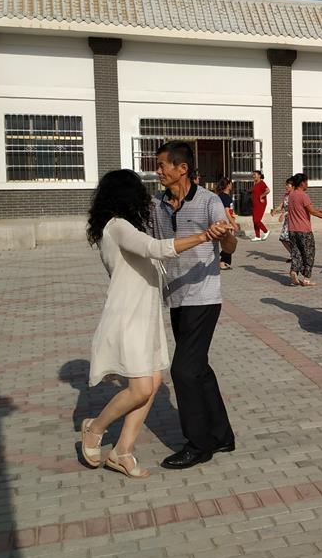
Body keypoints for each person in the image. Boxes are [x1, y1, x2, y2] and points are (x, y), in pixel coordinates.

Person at [81, 169, 219, 478]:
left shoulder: (125, 227)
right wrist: (203, 236)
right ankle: (95, 427)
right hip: (127, 316)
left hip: (145, 316)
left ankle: (122, 451)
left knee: (153, 383)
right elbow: (155, 249)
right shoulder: (117, 226)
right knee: (141, 387)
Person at [150, 141, 238, 469]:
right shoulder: (157, 205)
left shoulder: (208, 201)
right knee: (198, 369)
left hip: (204, 298)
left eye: (162, 165)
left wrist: (224, 234)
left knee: (183, 371)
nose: (158, 171)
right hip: (175, 297)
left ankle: (199, 444)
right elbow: (150, 244)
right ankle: (222, 435)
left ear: (182, 168)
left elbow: (231, 245)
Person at [286, 172, 322, 286]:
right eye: (306, 182)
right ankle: (306, 279)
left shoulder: (291, 195)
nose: (307, 184)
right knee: (309, 253)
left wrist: (317, 211)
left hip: (292, 229)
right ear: (302, 183)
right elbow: (312, 212)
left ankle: (294, 271)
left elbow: (302, 209)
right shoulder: (303, 195)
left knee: (296, 253)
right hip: (304, 230)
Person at [216, 177, 239, 270]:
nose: (231, 185)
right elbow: (227, 212)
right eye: (230, 183)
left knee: (227, 244)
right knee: (229, 243)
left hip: (223, 222)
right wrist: (234, 224)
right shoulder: (225, 197)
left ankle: (223, 262)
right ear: (228, 185)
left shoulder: (219, 196)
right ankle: (222, 262)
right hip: (227, 223)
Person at [271, 177, 295, 264]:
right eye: (286, 185)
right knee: (283, 238)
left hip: (293, 220)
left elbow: (293, 208)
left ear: (293, 186)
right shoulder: (286, 195)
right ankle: (294, 255)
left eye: (288, 185)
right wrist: (276, 210)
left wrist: (283, 214)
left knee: (291, 239)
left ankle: (296, 256)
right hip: (287, 221)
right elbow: (282, 205)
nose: (286, 187)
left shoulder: (295, 196)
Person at [250, 169, 271, 241]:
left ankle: (266, 231)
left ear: (259, 176)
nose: (253, 176)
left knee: (257, 220)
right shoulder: (255, 183)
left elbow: (268, 190)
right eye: (253, 175)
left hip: (260, 204)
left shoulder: (262, 183)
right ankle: (257, 236)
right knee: (254, 220)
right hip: (255, 204)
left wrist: (261, 196)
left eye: (255, 175)